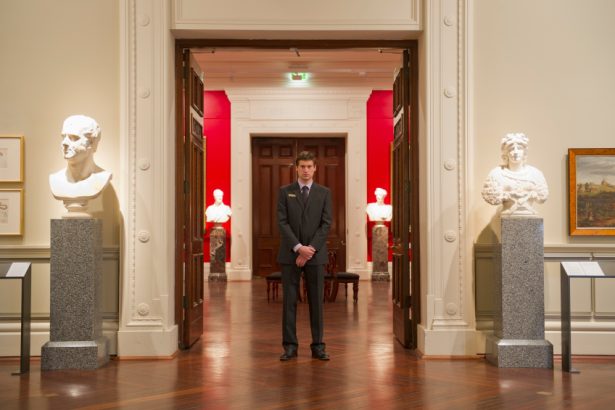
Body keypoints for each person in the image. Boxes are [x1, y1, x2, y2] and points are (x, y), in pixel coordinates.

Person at [277, 151, 332, 361]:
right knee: (289, 302)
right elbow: (282, 222)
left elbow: (326, 224)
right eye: (302, 166)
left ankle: (318, 346)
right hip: (290, 254)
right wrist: (298, 248)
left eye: (309, 166)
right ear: (296, 168)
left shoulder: (324, 193)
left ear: (315, 168)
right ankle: (290, 346)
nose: (306, 170)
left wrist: (310, 250)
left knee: (316, 302)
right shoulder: (285, 192)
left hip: (315, 256)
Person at [49, 115, 112, 215]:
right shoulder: (55, 179)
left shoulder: (102, 177)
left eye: (74, 138)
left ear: (92, 143)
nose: (64, 143)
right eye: (64, 137)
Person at [481, 133, 548, 215]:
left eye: (519, 148)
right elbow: (491, 196)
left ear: (524, 152)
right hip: (507, 214)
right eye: (511, 149)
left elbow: (542, 196)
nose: (516, 152)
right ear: (506, 153)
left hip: (530, 214)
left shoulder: (535, 174)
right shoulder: (496, 174)